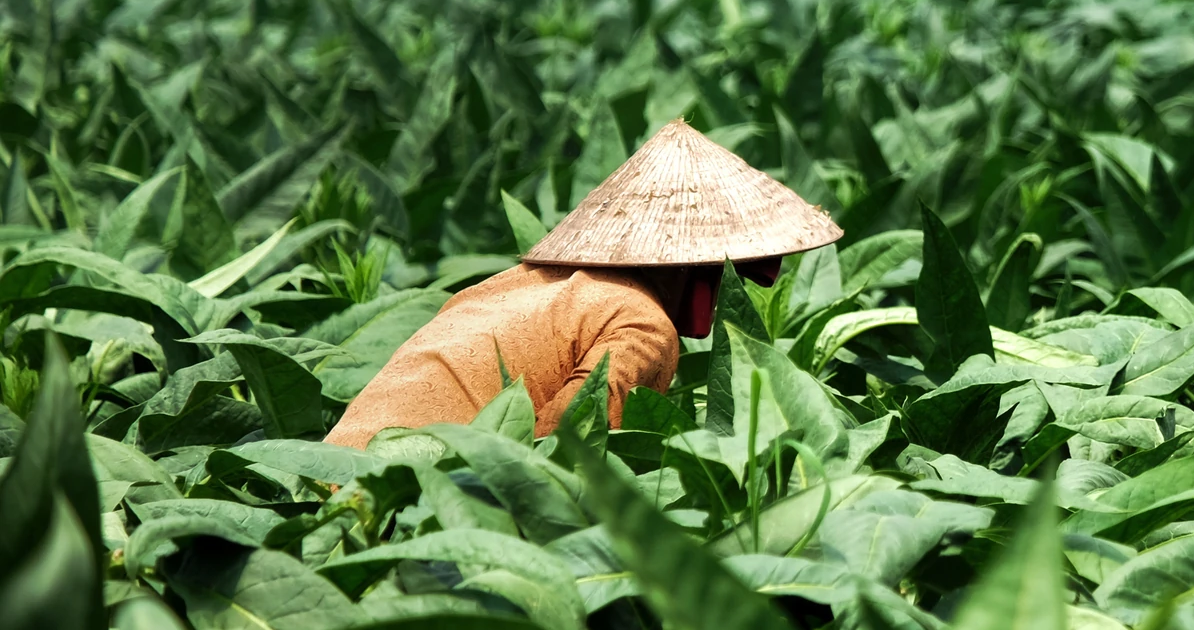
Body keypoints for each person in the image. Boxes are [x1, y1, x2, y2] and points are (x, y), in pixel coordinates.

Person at [322, 120, 841, 447]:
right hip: (406, 496)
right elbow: (567, 450)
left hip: (329, 471)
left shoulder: (515, 283)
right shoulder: (643, 324)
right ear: (693, 267)